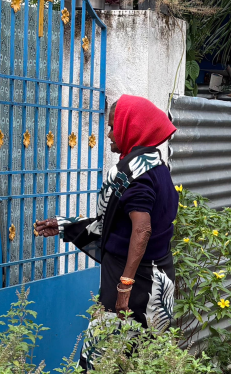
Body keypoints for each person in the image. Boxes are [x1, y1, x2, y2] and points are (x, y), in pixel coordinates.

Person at [34, 94, 179, 339]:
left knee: (104, 359)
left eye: (113, 127)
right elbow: (117, 229)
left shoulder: (135, 177)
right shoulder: (157, 167)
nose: (110, 134)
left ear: (130, 127)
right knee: (146, 362)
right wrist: (64, 226)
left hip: (135, 286)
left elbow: (141, 230)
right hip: (157, 279)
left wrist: (125, 286)